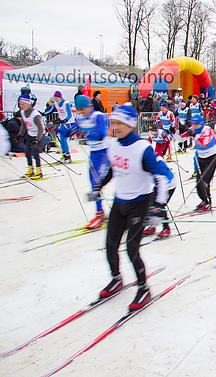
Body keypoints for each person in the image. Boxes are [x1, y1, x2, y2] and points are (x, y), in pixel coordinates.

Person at [87, 103, 173, 311]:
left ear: (130, 124)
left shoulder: (142, 148)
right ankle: (116, 278)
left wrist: (157, 207)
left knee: (132, 249)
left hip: (139, 203)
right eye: (113, 122)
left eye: (119, 123)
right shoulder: (114, 145)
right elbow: (110, 169)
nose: (114, 127)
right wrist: (98, 186)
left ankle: (143, 288)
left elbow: (161, 177)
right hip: (120, 201)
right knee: (110, 244)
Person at [75, 95, 110, 229]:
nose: (81, 112)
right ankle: (99, 212)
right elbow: (75, 129)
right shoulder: (80, 117)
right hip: (94, 153)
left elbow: (101, 133)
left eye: (83, 109)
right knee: (92, 182)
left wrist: (88, 134)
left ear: (89, 106)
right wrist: (64, 131)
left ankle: (103, 213)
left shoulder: (98, 116)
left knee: (97, 183)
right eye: (79, 110)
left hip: (105, 152)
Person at [181, 113, 216, 211]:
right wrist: (173, 133)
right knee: (198, 182)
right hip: (201, 158)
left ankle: (208, 202)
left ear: (201, 123)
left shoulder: (207, 130)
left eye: (196, 124)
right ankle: (203, 200)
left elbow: (205, 142)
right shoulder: (193, 130)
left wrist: (194, 135)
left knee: (205, 181)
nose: (194, 126)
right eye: (192, 124)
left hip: (211, 158)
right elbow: (181, 138)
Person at [18, 94, 45, 179]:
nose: (21, 106)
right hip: (30, 134)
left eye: (23, 104)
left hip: (38, 135)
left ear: (28, 104)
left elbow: (41, 128)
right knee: (27, 151)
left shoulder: (35, 114)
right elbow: (23, 125)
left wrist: (37, 140)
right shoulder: (22, 112)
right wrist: (20, 135)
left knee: (35, 152)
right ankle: (30, 169)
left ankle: (39, 172)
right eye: (20, 104)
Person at [45, 91, 77, 162]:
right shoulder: (56, 103)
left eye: (56, 98)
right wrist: (43, 114)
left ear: (60, 97)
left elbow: (69, 114)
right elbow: (50, 110)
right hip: (63, 123)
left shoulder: (66, 103)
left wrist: (65, 120)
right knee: (62, 139)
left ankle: (67, 156)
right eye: (55, 98)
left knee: (64, 139)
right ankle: (65, 155)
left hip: (69, 123)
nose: (55, 99)